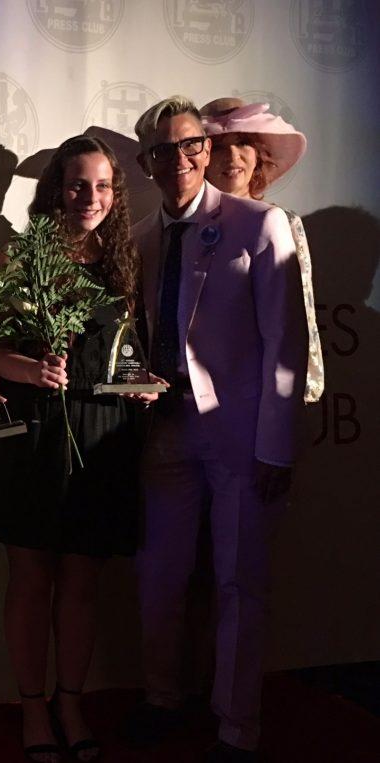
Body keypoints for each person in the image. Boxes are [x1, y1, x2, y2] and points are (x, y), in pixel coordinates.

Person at [119, 96, 308, 763]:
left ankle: (236, 726)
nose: (181, 160)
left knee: (238, 580)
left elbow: (287, 345)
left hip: (241, 436)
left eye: (191, 146)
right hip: (164, 432)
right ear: (147, 162)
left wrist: (275, 445)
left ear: (207, 149)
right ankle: (164, 697)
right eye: (165, 151)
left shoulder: (261, 225)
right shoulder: (140, 236)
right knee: (161, 575)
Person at [0, 135, 142, 763]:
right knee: (31, 576)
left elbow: (136, 352)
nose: (91, 198)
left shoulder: (127, 260)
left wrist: (144, 384)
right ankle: (31, 708)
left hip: (102, 433)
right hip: (32, 433)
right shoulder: (19, 260)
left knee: (81, 579)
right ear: (56, 190)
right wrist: (22, 369)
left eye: (102, 186)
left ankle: (70, 701)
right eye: (78, 185)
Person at [200, 97, 323, 404]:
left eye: (242, 142)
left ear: (259, 155)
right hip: (193, 397)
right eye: (218, 145)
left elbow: (300, 315)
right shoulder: (182, 227)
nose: (232, 156)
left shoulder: (284, 222)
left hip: (261, 395)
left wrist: (299, 392)